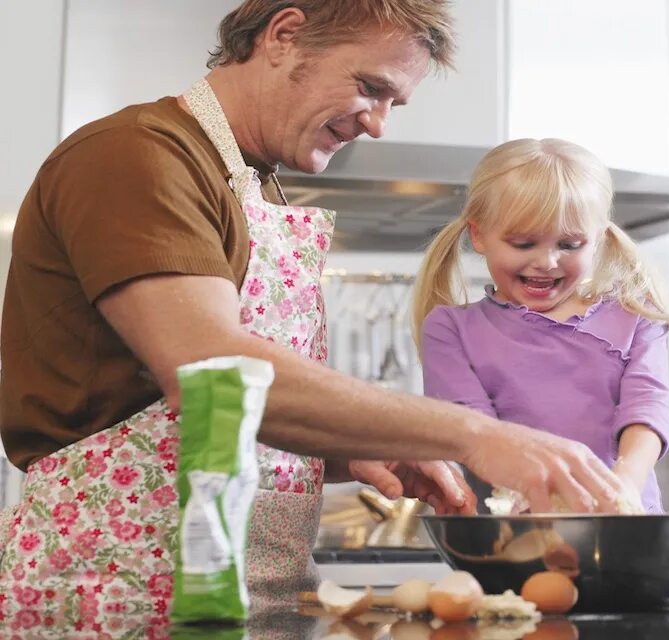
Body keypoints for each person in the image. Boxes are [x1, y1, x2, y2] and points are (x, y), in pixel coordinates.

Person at [0, 1, 626, 631]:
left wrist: (353, 453)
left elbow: (210, 425)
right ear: (285, 35)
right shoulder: (136, 157)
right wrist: (477, 434)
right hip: (118, 601)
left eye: (393, 104)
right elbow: (213, 372)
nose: (378, 124)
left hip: (235, 600)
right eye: (370, 87)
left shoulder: (250, 185)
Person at [412, 138, 669, 514]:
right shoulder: (451, 329)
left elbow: (649, 406)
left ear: (597, 240)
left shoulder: (634, 315)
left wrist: (623, 486)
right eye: (524, 243)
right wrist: (532, 496)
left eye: (569, 244)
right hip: (513, 529)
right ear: (478, 235)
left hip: (623, 526)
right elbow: (474, 432)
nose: (547, 261)